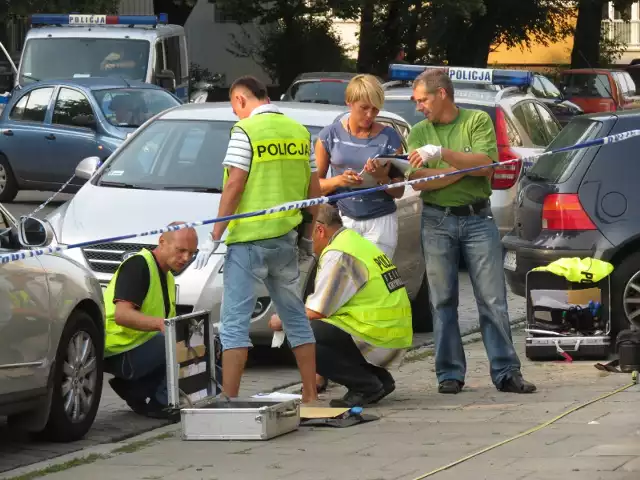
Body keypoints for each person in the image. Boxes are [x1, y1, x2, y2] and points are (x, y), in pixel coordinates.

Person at [406, 68, 536, 395]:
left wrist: (444, 156)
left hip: (478, 219)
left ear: (442, 94)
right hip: (437, 219)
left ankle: (507, 371)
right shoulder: (419, 131)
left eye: (422, 99)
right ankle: (449, 373)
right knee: (442, 299)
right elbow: (419, 180)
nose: (419, 106)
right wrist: (462, 170)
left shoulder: (476, 121)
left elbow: (486, 165)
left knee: (493, 299)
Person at [193, 75, 321, 403]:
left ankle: (230, 399)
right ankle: (310, 395)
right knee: (294, 316)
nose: (236, 114)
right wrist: (307, 237)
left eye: (236, 107)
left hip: (248, 242)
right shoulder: (299, 132)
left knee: (235, 321)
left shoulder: (245, 131)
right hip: (285, 241)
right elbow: (314, 191)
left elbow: (234, 184)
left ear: (240, 100)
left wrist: (215, 235)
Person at [268, 204, 412, 407]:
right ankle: (379, 379)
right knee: (318, 329)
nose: (300, 241)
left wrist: (281, 319)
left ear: (319, 230)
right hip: (389, 332)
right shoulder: (352, 241)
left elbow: (317, 310)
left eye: (302, 233)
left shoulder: (338, 254)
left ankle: (365, 385)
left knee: (300, 332)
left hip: (380, 334)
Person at [103, 223, 198, 418]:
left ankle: (136, 389)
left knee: (202, 344)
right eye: (181, 250)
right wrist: (161, 324)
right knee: (176, 341)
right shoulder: (138, 265)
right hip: (119, 350)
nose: (186, 258)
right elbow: (122, 315)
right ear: (162, 242)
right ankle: (161, 404)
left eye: (192, 253)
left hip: (140, 347)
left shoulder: (168, 276)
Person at [314, 74, 405, 260]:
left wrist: (382, 178)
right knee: (342, 282)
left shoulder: (390, 138)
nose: (370, 115)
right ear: (349, 102)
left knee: (375, 281)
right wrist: (339, 180)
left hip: (381, 221)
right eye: (364, 108)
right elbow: (315, 187)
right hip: (342, 218)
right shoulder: (328, 136)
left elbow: (399, 190)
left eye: (375, 109)